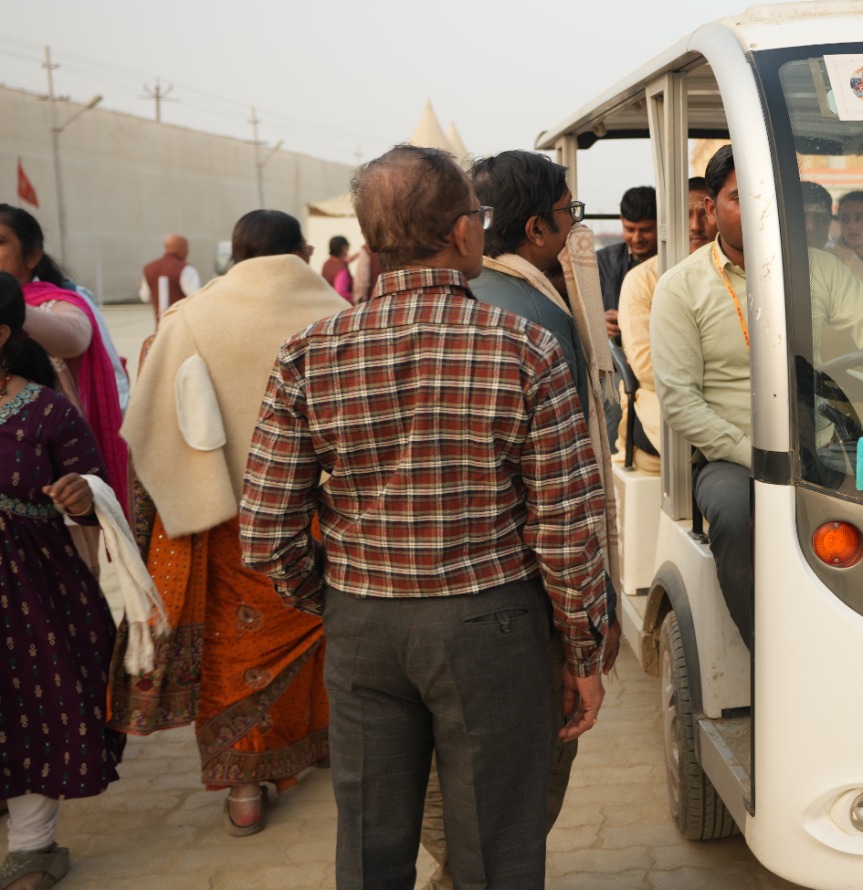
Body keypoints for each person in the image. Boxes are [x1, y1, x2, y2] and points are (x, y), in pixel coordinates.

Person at [238, 145, 609, 889]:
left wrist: (338, 598)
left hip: (363, 625)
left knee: (370, 843)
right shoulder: (525, 348)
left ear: (372, 244)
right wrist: (582, 651)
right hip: (490, 625)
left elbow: (265, 531)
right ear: (463, 233)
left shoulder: (309, 354)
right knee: (496, 849)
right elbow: (566, 526)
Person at [402, 150, 623, 889]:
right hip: (517, 600)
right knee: (519, 778)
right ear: (534, 227)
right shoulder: (532, 322)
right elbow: (564, 503)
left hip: (408, 603)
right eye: (570, 218)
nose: (575, 234)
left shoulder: (459, 303)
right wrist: (587, 627)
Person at [652, 147, 863, 649]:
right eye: (740, 197)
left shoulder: (819, 268)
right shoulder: (680, 287)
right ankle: (771, 656)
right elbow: (680, 402)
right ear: (712, 209)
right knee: (735, 516)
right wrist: (756, 455)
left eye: (771, 197)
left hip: (824, 439)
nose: (760, 209)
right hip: (735, 457)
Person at [114, 210, 347, 837]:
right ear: (301, 251)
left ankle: (244, 790)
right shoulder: (339, 314)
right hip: (321, 514)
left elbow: (150, 425)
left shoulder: (189, 317)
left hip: (230, 523)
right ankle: (322, 747)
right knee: (322, 636)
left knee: (233, 650)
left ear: (235, 255)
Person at [0, 272, 125, 890]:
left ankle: (31, 846)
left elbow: (98, 499)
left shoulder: (46, 412)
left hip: (30, 593)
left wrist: (80, 496)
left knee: (28, 705)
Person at [0, 204, 130, 519]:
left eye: (0, 241)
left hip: (51, 472)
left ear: (31, 257)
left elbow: (74, 338)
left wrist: (9, 303)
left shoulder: (63, 302)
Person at [616, 176, 718, 469]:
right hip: (662, 408)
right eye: (685, 215)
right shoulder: (642, 280)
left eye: (704, 213)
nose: (695, 226)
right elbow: (649, 369)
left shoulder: (744, 275)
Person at [597, 185, 658, 340]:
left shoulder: (676, 260)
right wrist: (597, 324)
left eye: (645, 230)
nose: (637, 238)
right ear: (621, 221)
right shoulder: (600, 262)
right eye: (630, 229)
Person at [140, 233, 202, 324]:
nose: (187, 252)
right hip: (181, 326)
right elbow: (196, 297)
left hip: (161, 327)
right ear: (180, 249)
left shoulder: (149, 268)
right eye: (186, 248)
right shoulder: (185, 269)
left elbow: (145, 297)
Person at [801, 181, 834, 249]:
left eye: (820, 219)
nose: (811, 227)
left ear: (829, 222)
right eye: (802, 218)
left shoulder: (840, 258)